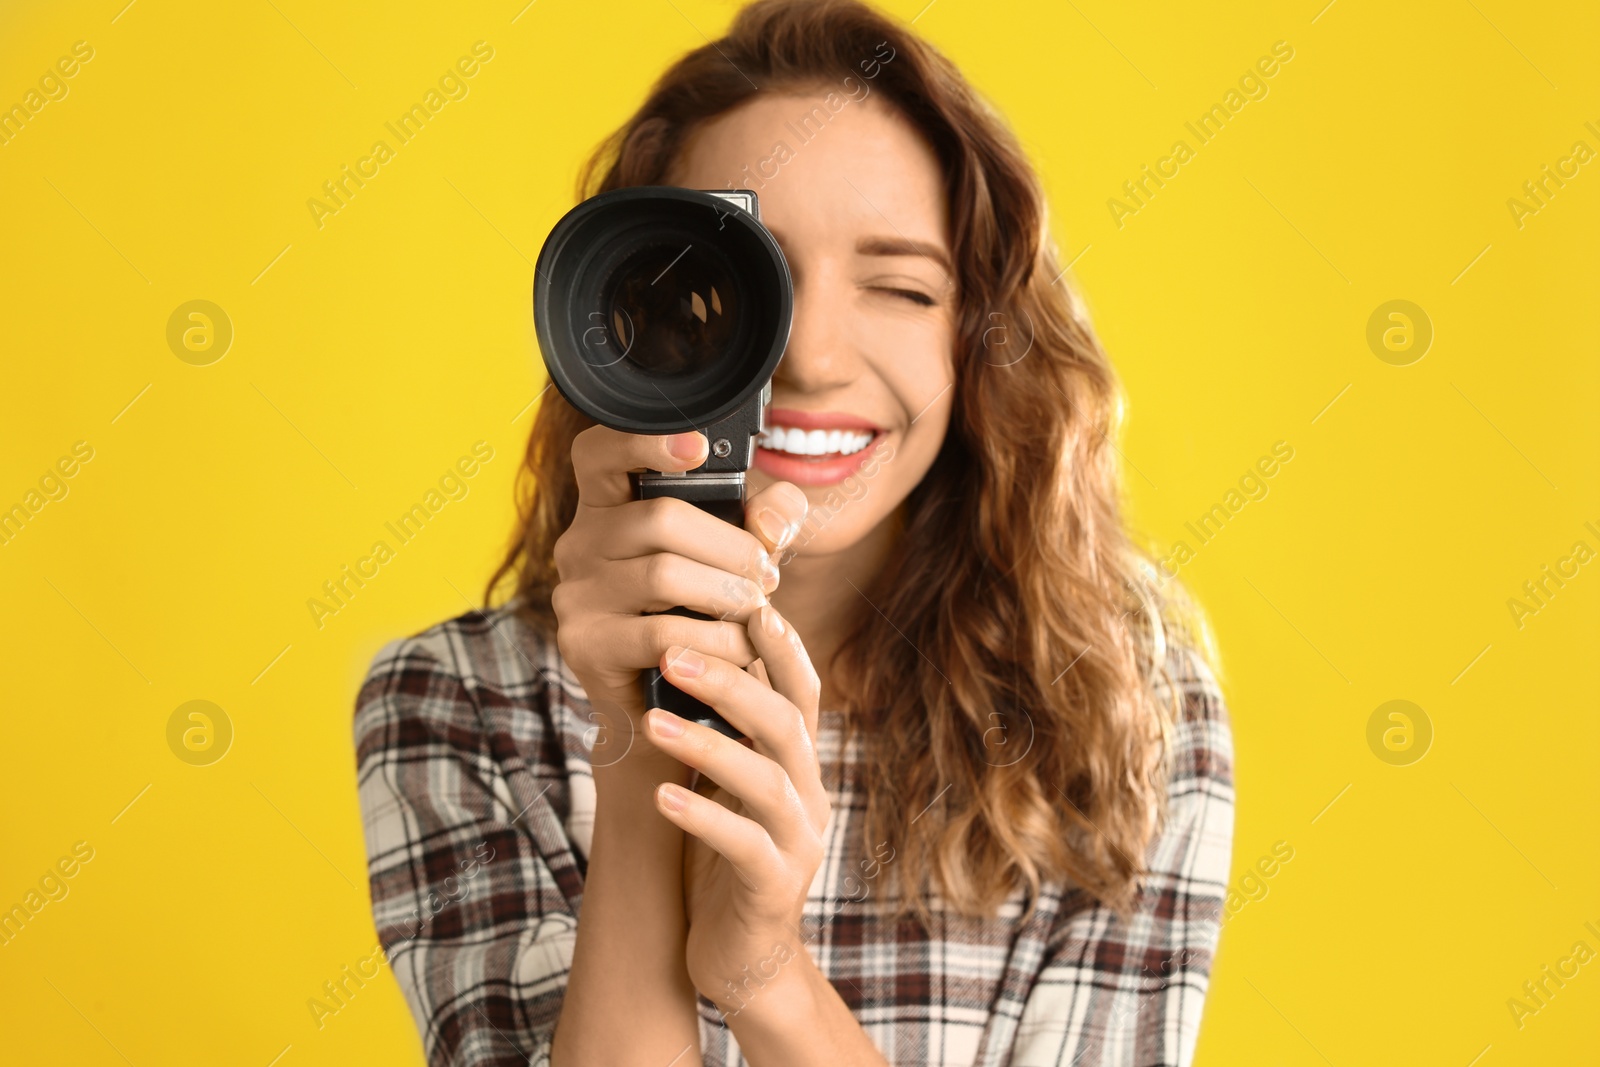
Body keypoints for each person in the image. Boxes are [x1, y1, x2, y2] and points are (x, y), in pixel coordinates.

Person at [353, 1, 1234, 1064]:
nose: (810, 356)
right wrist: (641, 744)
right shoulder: (454, 703)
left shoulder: (1120, 702)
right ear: (632, 313)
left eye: (902, 286)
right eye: (740, 283)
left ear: (978, 340)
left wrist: (766, 975)